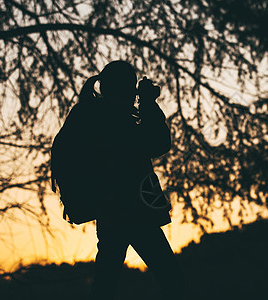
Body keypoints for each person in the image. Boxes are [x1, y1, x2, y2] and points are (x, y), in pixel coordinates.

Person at [79, 60, 184, 300]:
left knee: (106, 285)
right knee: (172, 280)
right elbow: (157, 143)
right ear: (124, 89)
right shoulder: (113, 121)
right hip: (133, 212)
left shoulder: (98, 117)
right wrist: (148, 103)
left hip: (111, 213)